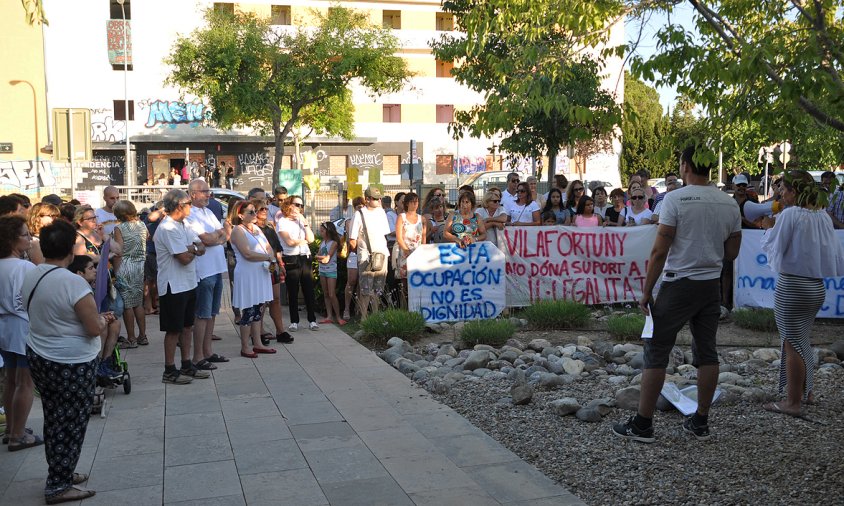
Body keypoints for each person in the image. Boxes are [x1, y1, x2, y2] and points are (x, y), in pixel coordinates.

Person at [612, 146, 741, 443]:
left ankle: (643, 424)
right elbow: (732, 252)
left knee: (656, 351)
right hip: (709, 284)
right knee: (707, 351)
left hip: (678, 281)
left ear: (684, 166)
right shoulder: (729, 203)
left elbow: (660, 249)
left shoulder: (675, 199)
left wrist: (646, 291)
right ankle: (701, 421)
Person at [23, 220, 114, 503]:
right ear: (70, 251)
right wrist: (102, 319)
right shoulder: (73, 282)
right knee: (71, 422)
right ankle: (59, 484)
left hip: (40, 354)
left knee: (54, 417)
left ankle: (61, 471)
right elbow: (92, 327)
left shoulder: (33, 274)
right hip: (70, 361)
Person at [760, 170, 844, 417]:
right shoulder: (822, 217)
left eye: (784, 189)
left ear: (795, 191)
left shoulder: (791, 214)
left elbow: (775, 246)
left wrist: (768, 228)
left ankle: (792, 402)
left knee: (791, 342)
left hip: (793, 286)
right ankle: (806, 392)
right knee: (802, 339)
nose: (781, 193)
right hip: (815, 287)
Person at [154, 189, 208, 384]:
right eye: (189, 204)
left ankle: (186, 365)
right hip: (173, 285)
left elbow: (201, 246)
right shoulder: (167, 228)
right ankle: (169, 370)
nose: (191, 207)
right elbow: (184, 258)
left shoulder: (184, 224)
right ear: (179, 206)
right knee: (173, 329)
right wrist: (192, 249)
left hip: (188, 282)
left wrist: (191, 248)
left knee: (187, 326)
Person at [0, 216, 42, 452]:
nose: (30, 238)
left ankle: (12, 429)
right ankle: (18, 434)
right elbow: (24, 301)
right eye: (25, 235)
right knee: (25, 383)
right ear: (11, 239)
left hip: (4, 328)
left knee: (11, 380)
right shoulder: (23, 267)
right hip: (21, 327)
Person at [184, 179, 230, 367]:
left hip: (217, 267)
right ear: (193, 194)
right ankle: (198, 356)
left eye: (208, 191)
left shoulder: (209, 211)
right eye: (204, 191)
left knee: (212, 313)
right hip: (204, 270)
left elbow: (225, 234)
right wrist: (217, 237)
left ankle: (208, 351)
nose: (208, 195)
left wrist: (217, 237)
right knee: (202, 314)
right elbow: (207, 239)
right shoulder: (190, 214)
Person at [229, 200, 276, 357]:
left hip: (260, 273)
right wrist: (267, 257)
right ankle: (245, 346)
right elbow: (247, 253)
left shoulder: (256, 228)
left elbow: (268, 247)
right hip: (247, 274)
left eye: (254, 211)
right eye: (251, 212)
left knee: (258, 309)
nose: (255, 214)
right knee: (248, 310)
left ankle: (258, 343)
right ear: (241, 215)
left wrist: (271, 257)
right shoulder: (237, 230)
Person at [277, 195, 319, 331]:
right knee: (293, 289)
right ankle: (294, 320)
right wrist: (302, 241)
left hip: (305, 256)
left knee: (308, 288)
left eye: (301, 205)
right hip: (291, 257)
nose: (299, 208)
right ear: (288, 205)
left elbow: (311, 239)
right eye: (296, 204)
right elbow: (288, 241)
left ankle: (312, 320)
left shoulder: (301, 221)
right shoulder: (282, 221)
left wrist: (305, 223)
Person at [348, 187, 390, 319]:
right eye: (375, 198)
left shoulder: (381, 212)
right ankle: (364, 318)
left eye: (379, 198)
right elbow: (352, 239)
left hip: (382, 254)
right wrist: (360, 252)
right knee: (365, 289)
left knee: (378, 289)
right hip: (366, 256)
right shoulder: (359, 214)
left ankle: (376, 318)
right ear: (367, 199)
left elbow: (385, 233)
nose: (378, 200)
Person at [254, 199, 292, 344]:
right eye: (261, 209)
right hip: (259, 267)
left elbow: (276, 248)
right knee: (261, 301)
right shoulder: (252, 229)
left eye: (265, 209)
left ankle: (280, 331)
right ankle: (259, 332)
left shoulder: (269, 227)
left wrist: (280, 263)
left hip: (272, 266)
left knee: (275, 299)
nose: (264, 211)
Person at [112, 200, 149, 348]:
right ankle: (143, 335)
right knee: (138, 302)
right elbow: (147, 237)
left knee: (128, 304)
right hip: (139, 266)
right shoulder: (142, 225)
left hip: (125, 266)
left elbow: (119, 251)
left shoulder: (118, 228)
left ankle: (131, 338)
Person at [394, 193, 426, 307]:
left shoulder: (421, 219)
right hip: (405, 253)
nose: (415, 204)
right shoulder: (401, 217)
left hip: (418, 254)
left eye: (416, 201)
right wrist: (407, 251)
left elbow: (423, 238)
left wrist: (423, 251)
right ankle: (404, 307)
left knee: (417, 282)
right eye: (412, 202)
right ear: (407, 203)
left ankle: (416, 306)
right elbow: (399, 237)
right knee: (404, 284)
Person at [316, 221, 344, 324]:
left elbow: (327, 258)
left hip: (331, 271)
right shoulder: (323, 243)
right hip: (322, 270)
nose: (321, 233)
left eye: (322, 231)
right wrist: (322, 258)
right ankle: (329, 316)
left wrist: (322, 258)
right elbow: (318, 256)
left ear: (328, 231)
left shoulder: (334, 243)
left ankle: (338, 317)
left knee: (332, 294)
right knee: (326, 294)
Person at [342, 197, 364, 321]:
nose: (360, 207)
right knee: (351, 281)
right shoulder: (349, 221)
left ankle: (359, 308)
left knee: (362, 282)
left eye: (362, 205)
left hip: (364, 253)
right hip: (353, 253)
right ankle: (346, 308)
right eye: (357, 206)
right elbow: (350, 240)